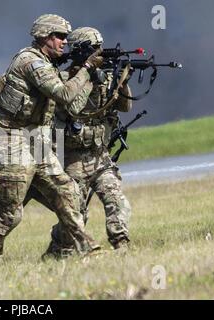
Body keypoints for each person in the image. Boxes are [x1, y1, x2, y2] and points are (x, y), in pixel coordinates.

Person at [0, 14, 104, 269]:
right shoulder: (30, 62)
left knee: (67, 192)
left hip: (36, 140)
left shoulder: (48, 65)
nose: (64, 42)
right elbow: (64, 94)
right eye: (59, 37)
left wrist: (87, 74)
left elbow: (74, 105)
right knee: (9, 214)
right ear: (44, 37)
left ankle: (86, 247)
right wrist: (85, 69)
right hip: (9, 140)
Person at [43, 27, 133, 258]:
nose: (99, 54)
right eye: (95, 50)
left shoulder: (106, 77)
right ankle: (56, 251)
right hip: (73, 159)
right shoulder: (64, 81)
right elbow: (71, 106)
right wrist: (89, 76)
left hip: (100, 156)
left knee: (116, 199)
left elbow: (125, 106)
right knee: (76, 215)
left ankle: (122, 245)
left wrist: (122, 82)